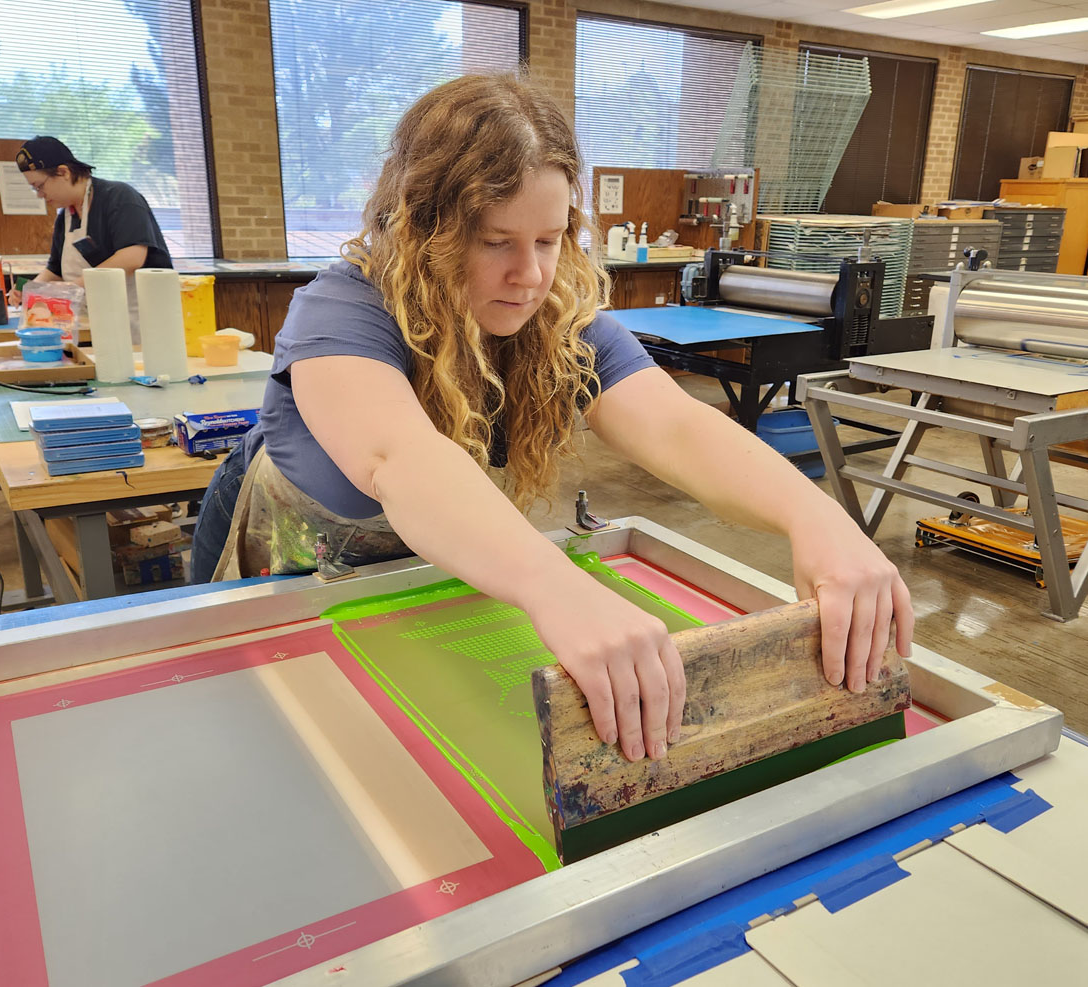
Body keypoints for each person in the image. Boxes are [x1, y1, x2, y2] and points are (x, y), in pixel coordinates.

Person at [192, 73, 913, 764]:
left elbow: (674, 425)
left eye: (549, 239)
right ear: (425, 227)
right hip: (280, 568)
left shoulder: (556, 324)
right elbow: (401, 459)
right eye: (495, 241)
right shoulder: (346, 310)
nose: (531, 275)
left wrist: (815, 519)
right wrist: (556, 587)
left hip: (425, 575)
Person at [9, 136, 172, 337]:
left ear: (63, 172)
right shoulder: (65, 217)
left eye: (40, 186)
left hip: (141, 320)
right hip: (97, 322)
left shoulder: (119, 197)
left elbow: (132, 256)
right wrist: (30, 291)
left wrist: (70, 289)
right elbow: (55, 270)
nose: (39, 195)